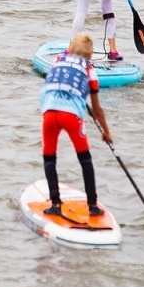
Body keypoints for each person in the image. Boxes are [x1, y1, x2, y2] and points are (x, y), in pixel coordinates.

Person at [37, 31, 113, 218]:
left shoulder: (57, 61)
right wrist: (106, 132)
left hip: (49, 113)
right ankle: (93, 206)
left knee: (49, 158)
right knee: (84, 158)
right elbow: (97, 110)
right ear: (90, 55)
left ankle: (55, 204)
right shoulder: (90, 71)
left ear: (69, 49)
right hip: (70, 117)